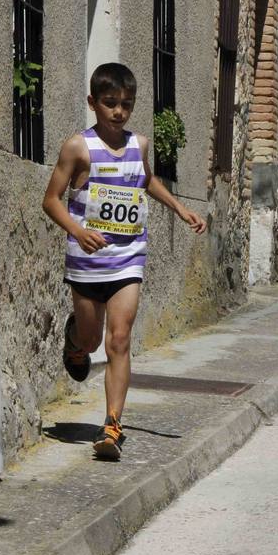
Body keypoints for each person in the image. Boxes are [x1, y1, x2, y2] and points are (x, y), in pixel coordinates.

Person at [42, 63, 206, 461]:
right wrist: (78, 231)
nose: (118, 112)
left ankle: (112, 425)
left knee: (119, 339)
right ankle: (75, 342)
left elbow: (145, 180)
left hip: (128, 258)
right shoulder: (77, 147)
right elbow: (50, 200)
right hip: (86, 260)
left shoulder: (140, 145)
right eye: (110, 103)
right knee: (92, 338)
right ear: (93, 103)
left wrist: (179, 209)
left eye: (126, 105)